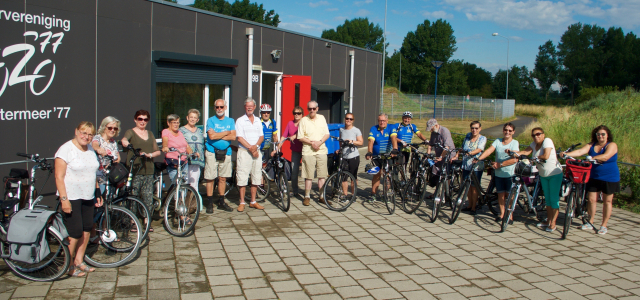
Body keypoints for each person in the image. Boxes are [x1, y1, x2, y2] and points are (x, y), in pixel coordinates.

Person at [55, 121, 103, 277]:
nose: (86, 137)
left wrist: (97, 193)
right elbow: (59, 177)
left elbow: (92, 172)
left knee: (87, 229)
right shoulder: (66, 149)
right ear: (76, 131)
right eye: (83, 133)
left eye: (90, 134)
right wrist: (64, 199)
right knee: (75, 232)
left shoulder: (90, 149)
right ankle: (67, 266)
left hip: (88, 195)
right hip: (72, 196)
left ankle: (79, 260)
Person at [563, 125, 620, 235]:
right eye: (598, 134)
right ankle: (590, 221)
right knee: (592, 199)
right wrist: (566, 154)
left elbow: (606, 156)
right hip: (593, 176)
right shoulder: (591, 145)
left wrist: (592, 158)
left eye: (603, 134)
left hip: (609, 177)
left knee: (607, 201)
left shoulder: (611, 145)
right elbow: (580, 152)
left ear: (607, 135)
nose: (600, 136)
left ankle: (604, 225)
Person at [511, 128, 563, 232]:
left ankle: (553, 223)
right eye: (533, 135)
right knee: (547, 199)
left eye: (538, 134)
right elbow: (526, 151)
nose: (536, 137)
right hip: (543, 175)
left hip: (554, 174)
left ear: (543, 135)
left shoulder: (547, 141)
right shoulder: (534, 144)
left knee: (553, 199)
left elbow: (546, 155)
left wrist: (534, 158)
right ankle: (548, 220)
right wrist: (514, 153)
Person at [121, 110, 160, 233]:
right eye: (140, 119)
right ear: (135, 119)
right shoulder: (130, 132)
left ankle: (146, 221)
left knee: (147, 197)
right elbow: (124, 140)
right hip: (135, 170)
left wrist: (149, 154)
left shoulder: (150, 133)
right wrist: (129, 145)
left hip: (148, 169)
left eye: (145, 119)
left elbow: (157, 151)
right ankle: (133, 222)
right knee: (134, 195)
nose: (142, 121)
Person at [476, 123, 519, 224]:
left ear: (513, 132)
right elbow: (489, 151)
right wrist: (479, 158)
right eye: (505, 130)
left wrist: (501, 164)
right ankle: (502, 213)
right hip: (499, 174)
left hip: (509, 174)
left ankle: (510, 215)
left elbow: (515, 159)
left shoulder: (514, 143)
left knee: (509, 195)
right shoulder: (498, 141)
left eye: (509, 130)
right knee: (500, 194)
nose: (507, 132)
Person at [297, 100, 330, 206]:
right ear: (307, 109)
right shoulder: (303, 120)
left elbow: (327, 134)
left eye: (313, 108)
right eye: (309, 109)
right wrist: (312, 143)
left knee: (322, 175)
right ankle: (307, 196)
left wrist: (319, 142)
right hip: (308, 151)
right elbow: (300, 137)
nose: (312, 110)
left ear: (317, 109)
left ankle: (322, 196)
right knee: (309, 175)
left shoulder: (322, 118)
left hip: (321, 150)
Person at [204, 99, 235, 213]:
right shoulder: (210, 120)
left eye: (221, 107)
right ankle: (210, 203)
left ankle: (221, 201)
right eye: (217, 107)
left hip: (226, 152)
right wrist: (226, 132)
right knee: (210, 178)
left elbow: (233, 137)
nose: (219, 109)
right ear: (214, 108)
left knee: (223, 178)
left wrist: (218, 135)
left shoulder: (230, 121)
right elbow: (211, 137)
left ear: (225, 107)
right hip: (212, 152)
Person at [235, 97, 266, 212]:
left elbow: (261, 136)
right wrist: (251, 148)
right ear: (245, 107)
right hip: (244, 152)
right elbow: (239, 138)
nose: (249, 108)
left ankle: (253, 201)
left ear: (254, 107)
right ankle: (242, 201)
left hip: (256, 151)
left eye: (251, 106)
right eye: (247, 106)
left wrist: (256, 147)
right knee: (242, 176)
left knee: (256, 176)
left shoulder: (258, 120)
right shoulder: (240, 120)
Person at [179, 109, 206, 209]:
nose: (193, 119)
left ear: (198, 119)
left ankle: (195, 205)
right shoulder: (181, 130)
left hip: (197, 161)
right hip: (186, 160)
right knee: (184, 183)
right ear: (187, 118)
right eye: (191, 117)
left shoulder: (199, 131)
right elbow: (181, 143)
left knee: (194, 183)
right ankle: (182, 205)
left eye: (195, 118)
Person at [365, 113, 394, 203]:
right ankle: (373, 194)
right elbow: (371, 141)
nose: (382, 122)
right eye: (380, 120)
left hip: (388, 156)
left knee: (387, 175)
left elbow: (393, 138)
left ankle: (385, 194)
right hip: (377, 156)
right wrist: (369, 152)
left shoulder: (391, 128)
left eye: (383, 120)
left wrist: (395, 149)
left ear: (387, 121)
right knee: (376, 175)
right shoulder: (373, 128)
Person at [460, 121, 486, 215]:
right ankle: (469, 205)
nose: (474, 130)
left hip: (476, 166)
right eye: (472, 128)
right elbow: (463, 147)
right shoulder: (467, 136)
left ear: (480, 129)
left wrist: (470, 153)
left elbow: (480, 149)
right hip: (466, 164)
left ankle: (474, 207)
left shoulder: (482, 138)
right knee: (467, 185)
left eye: (476, 128)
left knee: (474, 187)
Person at [92, 116, 121, 192]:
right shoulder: (98, 138)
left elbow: (118, 158)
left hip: (110, 179)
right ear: (104, 127)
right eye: (110, 128)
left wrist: (113, 164)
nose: (112, 130)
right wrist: (99, 149)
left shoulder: (113, 142)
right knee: (99, 202)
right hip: (99, 179)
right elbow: (95, 145)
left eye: (115, 128)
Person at [281, 106, 304, 196]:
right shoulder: (290, 123)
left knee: (306, 172)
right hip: (295, 150)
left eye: (299, 113)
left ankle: (307, 193)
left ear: (302, 115)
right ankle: (295, 190)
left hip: (305, 150)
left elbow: (301, 132)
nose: (297, 115)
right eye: (295, 113)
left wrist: (294, 136)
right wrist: (279, 145)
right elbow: (284, 135)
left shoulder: (304, 123)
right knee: (294, 171)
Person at [162, 114, 193, 181]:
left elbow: (186, 145)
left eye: (177, 122)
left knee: (184, 183)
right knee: (175, 182)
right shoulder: (166, 131)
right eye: (174, 122)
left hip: (183, 162)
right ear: (168, 123)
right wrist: (165, 147)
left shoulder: (180, 133)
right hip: (173, 162)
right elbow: (165, 141)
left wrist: (192, 152)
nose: (176, 124)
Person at [339, 113, 363, 195]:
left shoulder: (356, 130)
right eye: (347, 118)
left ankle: (353, 195)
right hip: (344, 157)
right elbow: (340, 142)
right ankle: (345, 195)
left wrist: (352, 141)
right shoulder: (341, 130)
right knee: (344, 177)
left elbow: (361, 142)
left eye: (350, 119)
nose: (348, 120)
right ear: (344, 119)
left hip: (354, 156)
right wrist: (340, 150)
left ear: (353, 121)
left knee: (353, 177)